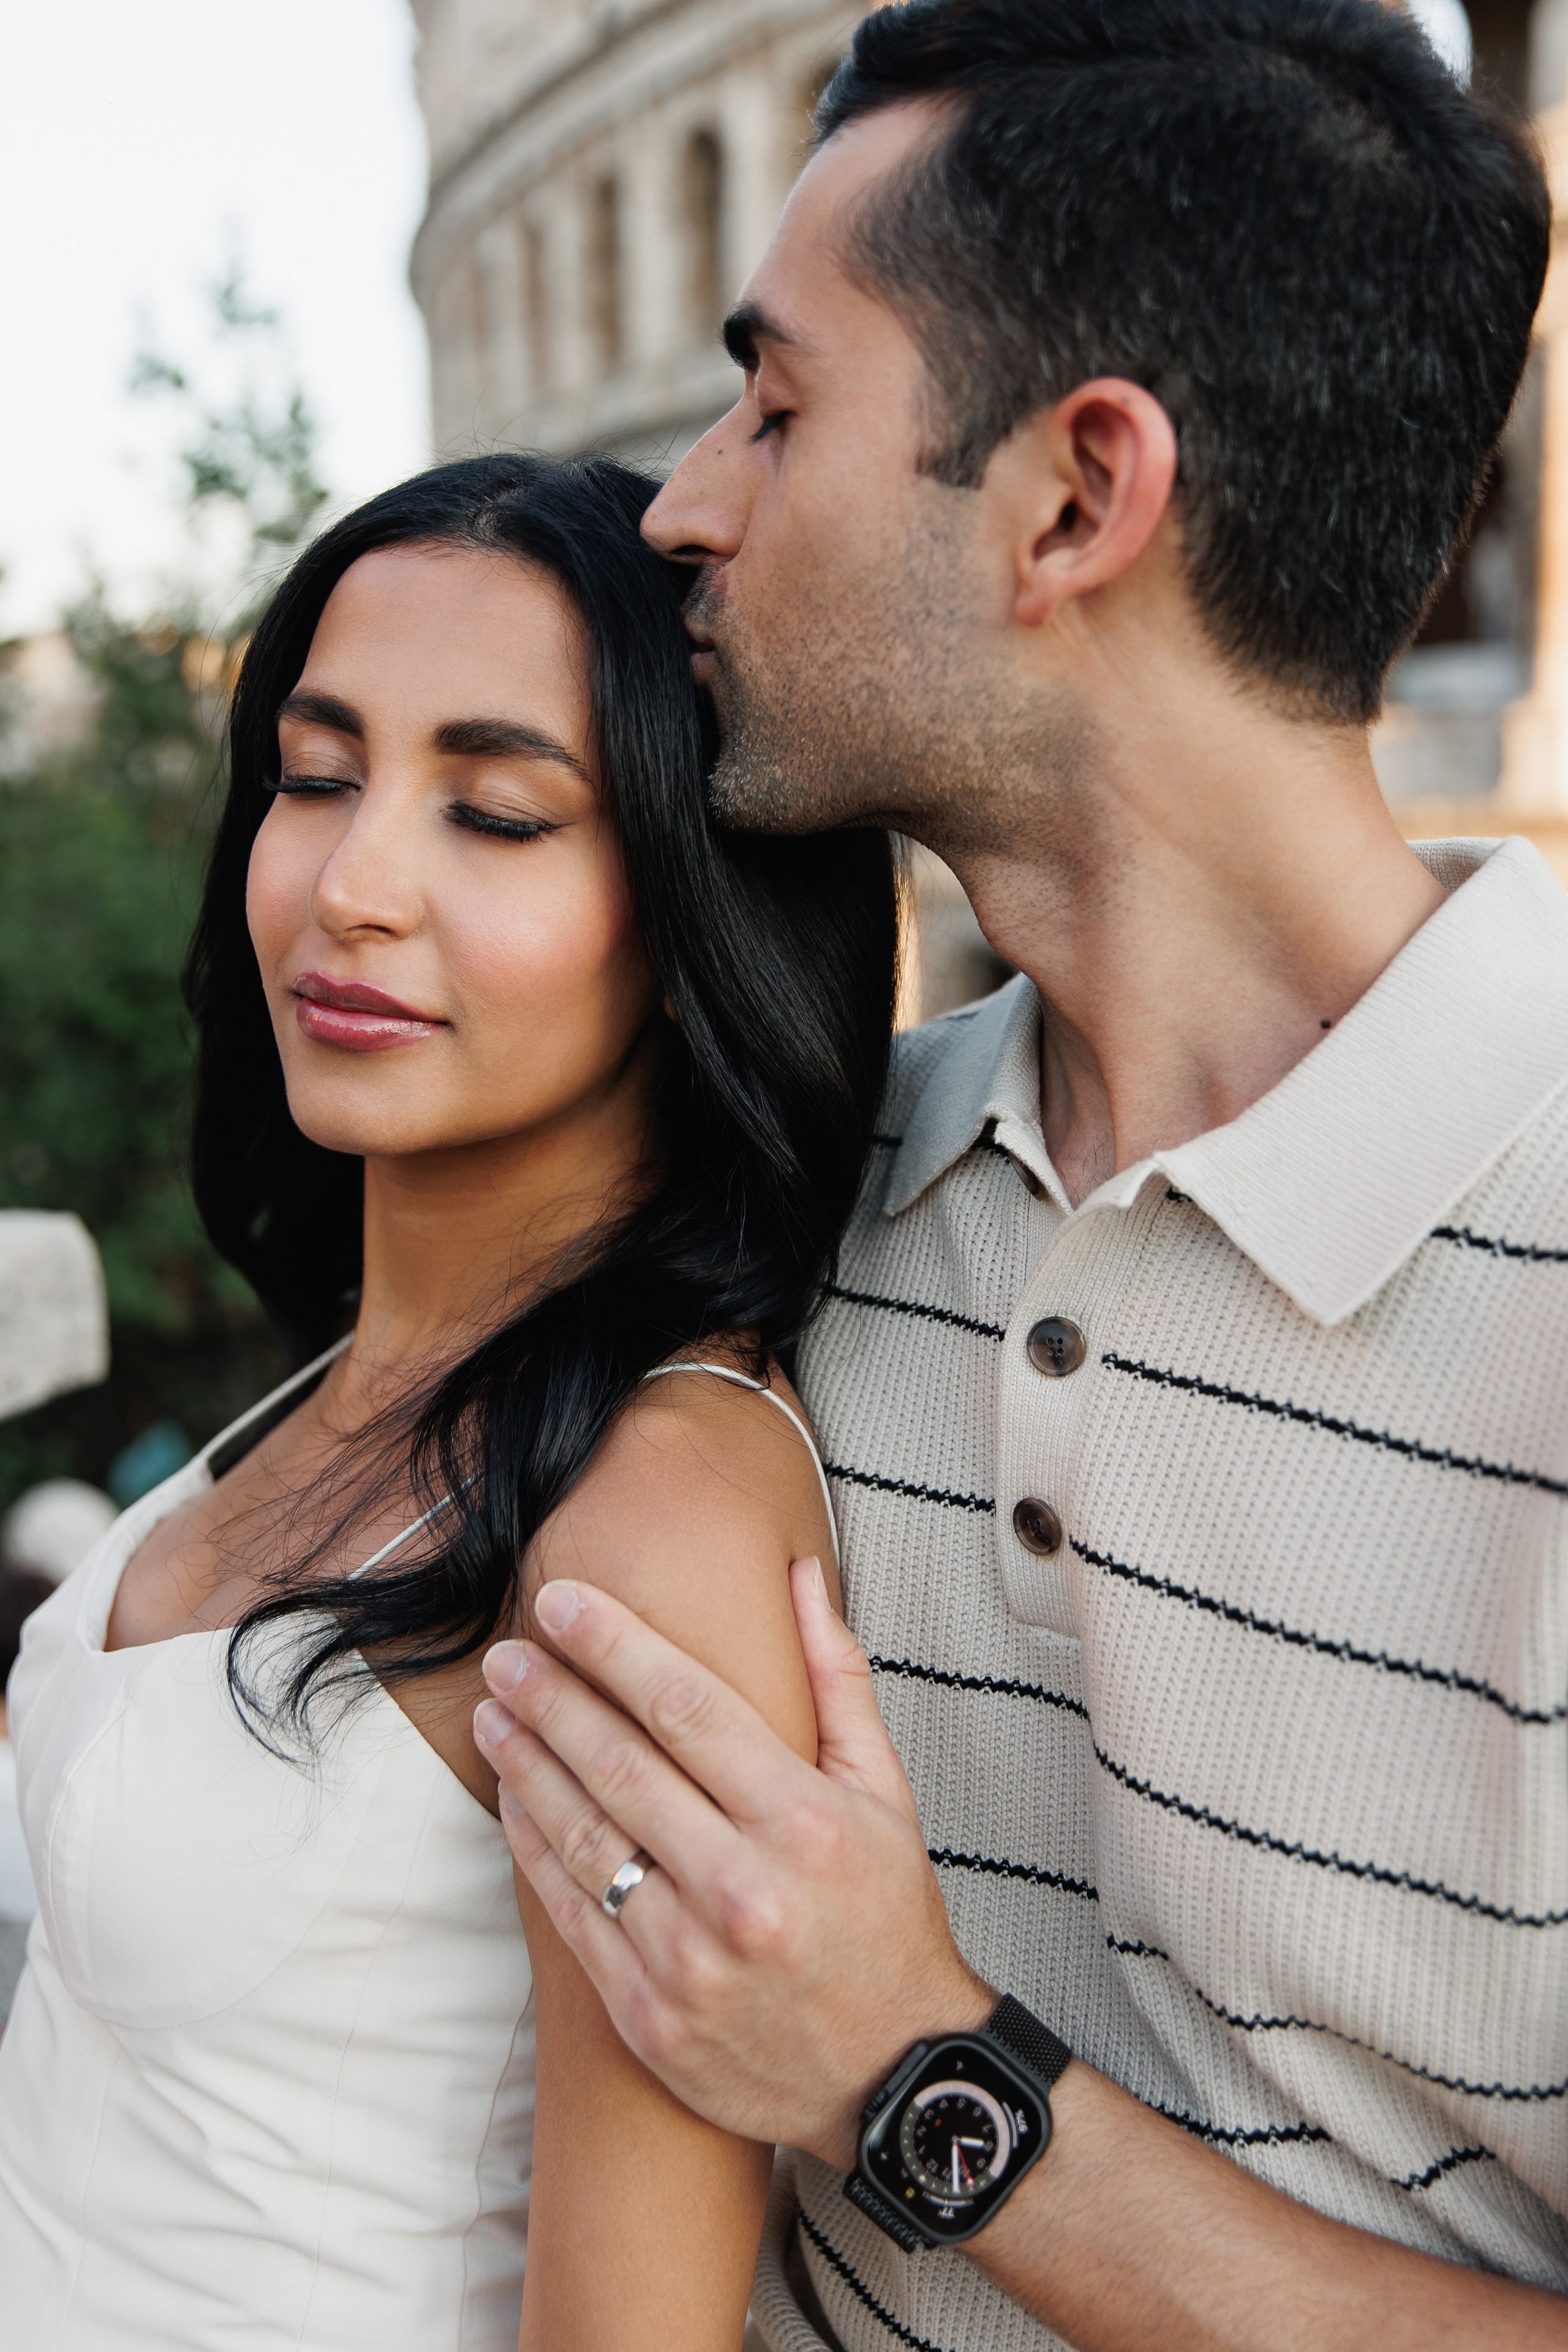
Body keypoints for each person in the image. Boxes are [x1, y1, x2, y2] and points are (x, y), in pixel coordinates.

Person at [471, 5, 1568, 2348]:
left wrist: (919, 2077)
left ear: (1077, 498)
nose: (683, 500)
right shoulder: (793, 1203)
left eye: (779, 407)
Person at [0, 452, 899, 2349]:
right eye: (316, 778)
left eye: (494, 812)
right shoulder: (356, 1377)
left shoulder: (646, 1516)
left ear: (689, 906)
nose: (354, 885)